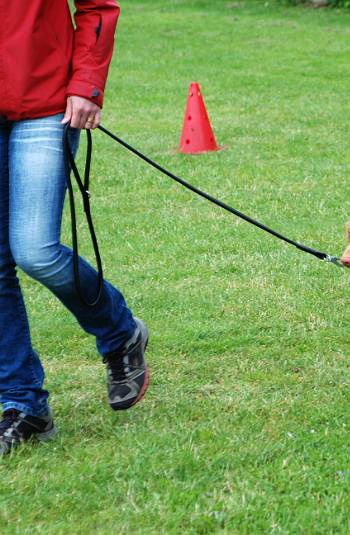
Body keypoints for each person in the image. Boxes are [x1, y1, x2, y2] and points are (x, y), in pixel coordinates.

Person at [0, 0, 150, 455]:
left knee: (35, 250)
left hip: (45, 103)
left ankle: (119, 331)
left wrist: (86, 84)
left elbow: (98, 7)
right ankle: (24, 405)